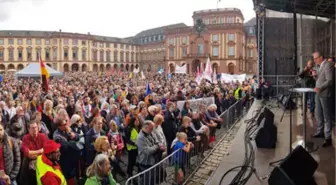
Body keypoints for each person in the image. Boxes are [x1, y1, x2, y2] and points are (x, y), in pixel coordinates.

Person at [312, 51, 334, 147]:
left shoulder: (328, 65)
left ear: (321, 57)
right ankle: (320, 131)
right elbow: (320, 79)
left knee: (327, 116)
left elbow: (330, 80)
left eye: (315, 58)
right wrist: (315, 76)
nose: (314, 60)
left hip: (325, 93)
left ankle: (328, 137)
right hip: (318, 93)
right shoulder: (319, 66)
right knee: (318, 113)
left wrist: (320, 88)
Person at [19, 121, 48, 185]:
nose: (34, 129)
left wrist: (34, 154)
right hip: (29, 162)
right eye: (32, 128)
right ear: (29, 129)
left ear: (38, 128)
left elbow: (46, 149)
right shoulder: (25, 138)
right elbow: (26, 152)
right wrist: (39, 151)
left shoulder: (42, 136)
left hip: (41, 160)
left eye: (35, 127)